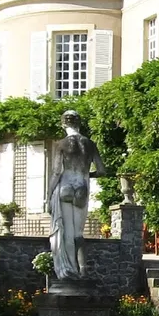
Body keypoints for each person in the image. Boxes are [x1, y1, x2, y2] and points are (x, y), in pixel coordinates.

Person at [46, 110, 107, 281]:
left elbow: (57, 173)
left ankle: (68, 272)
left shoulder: (61, 144)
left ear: (63, 124)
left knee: (66, 232)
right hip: (82, 187)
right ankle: (83, 271)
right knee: (78, 234)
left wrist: (49, 196)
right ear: (79, 124)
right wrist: (88, 175)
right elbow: (102, 171)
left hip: (65, 187)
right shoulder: (90, 144)